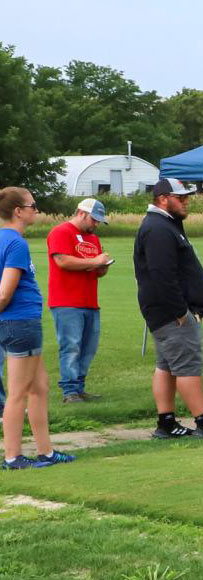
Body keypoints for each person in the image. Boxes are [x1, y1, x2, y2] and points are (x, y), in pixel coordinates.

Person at [133, 178, 203, 437]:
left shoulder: (165, 225)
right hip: (172, 314)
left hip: (165, 312)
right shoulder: (158, 228)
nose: (186, 201)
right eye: (180, 197)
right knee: (187, 366)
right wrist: (181, 312)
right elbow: (162, 275)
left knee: (166, 366)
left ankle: (166, 423)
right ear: (162, 199)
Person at [0, 188, 75, 469]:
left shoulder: (6, 240)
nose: (36, 210)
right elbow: (5, 292)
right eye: (33, 205)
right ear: (18, 211)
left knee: (39, 387)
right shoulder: (15, 243)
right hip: (20, 324)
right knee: (18, 392)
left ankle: (46, 451)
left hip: (18, 323)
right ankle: (13, 457)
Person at [46, 197, 112, 403]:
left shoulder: (93, 239)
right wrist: (94, 261)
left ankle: (79, 387)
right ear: (81, 213)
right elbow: (63, 261)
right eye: (94, 219)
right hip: (66, 301)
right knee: (71, 346)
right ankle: (70, 392)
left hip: (90, 301)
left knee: (88, 348)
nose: (96, 224)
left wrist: (102, 267)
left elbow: (95, 271)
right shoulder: (61, 232)